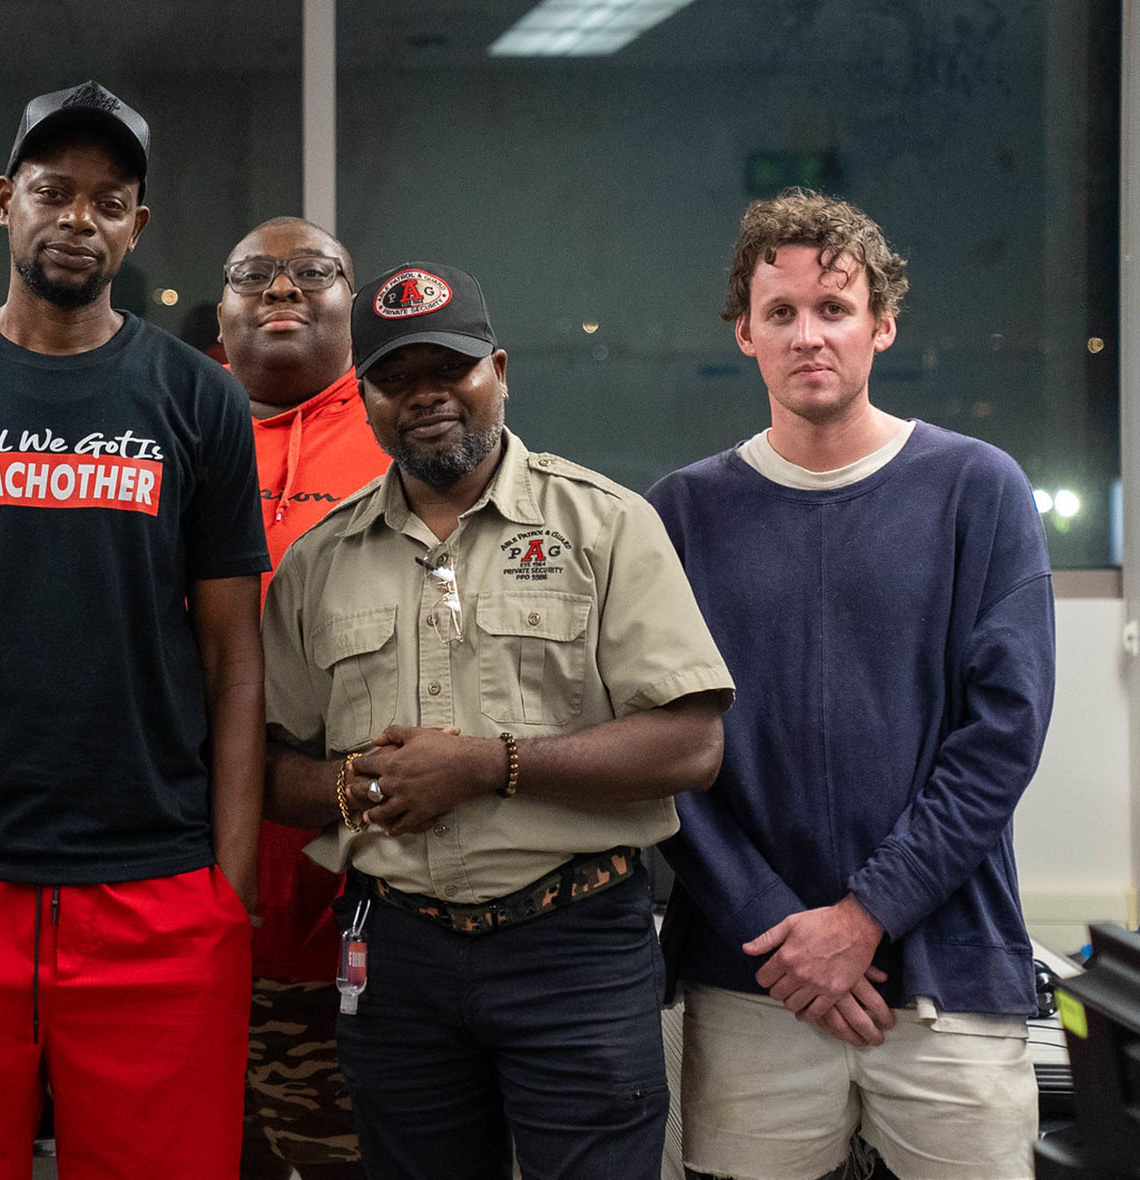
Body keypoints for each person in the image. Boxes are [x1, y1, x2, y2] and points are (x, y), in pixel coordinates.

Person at [0, 80, 269, 1180]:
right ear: (5, 202)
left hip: (159, 893)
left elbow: (234, 661)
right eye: (53, 190)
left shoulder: (197, 399)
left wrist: (228, 886)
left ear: (137, 224)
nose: (79, 217)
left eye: (109, 199)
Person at [262, 260, 734, 1179]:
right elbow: (271, 766)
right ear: (364, 398)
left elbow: (691, 742)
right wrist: (352, 788)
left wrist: (486, 765)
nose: (427, 397)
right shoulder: (322, 561)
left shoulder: (605, 526)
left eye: (453, 369)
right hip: (395, 956)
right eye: (397, 379)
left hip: (575, 948)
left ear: (501, 371)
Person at [649, 189, 1055, 1180]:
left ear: (882, 322)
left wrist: (863, 917)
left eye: (835, 308)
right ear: (744, 332)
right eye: (780, 312)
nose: (809, 335)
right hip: (753, 980)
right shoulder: (681, 515)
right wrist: (775, 931)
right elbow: (660, 752)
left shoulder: (978, 488)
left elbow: (1003, 734)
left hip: (948, 977)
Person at [216, 215, 386, 1180]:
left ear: (348, 300)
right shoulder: (171, 425)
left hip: (355, 910)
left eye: (310, 272)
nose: (282, 291)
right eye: (255, 276)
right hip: (185, 909)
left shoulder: (402, 429)